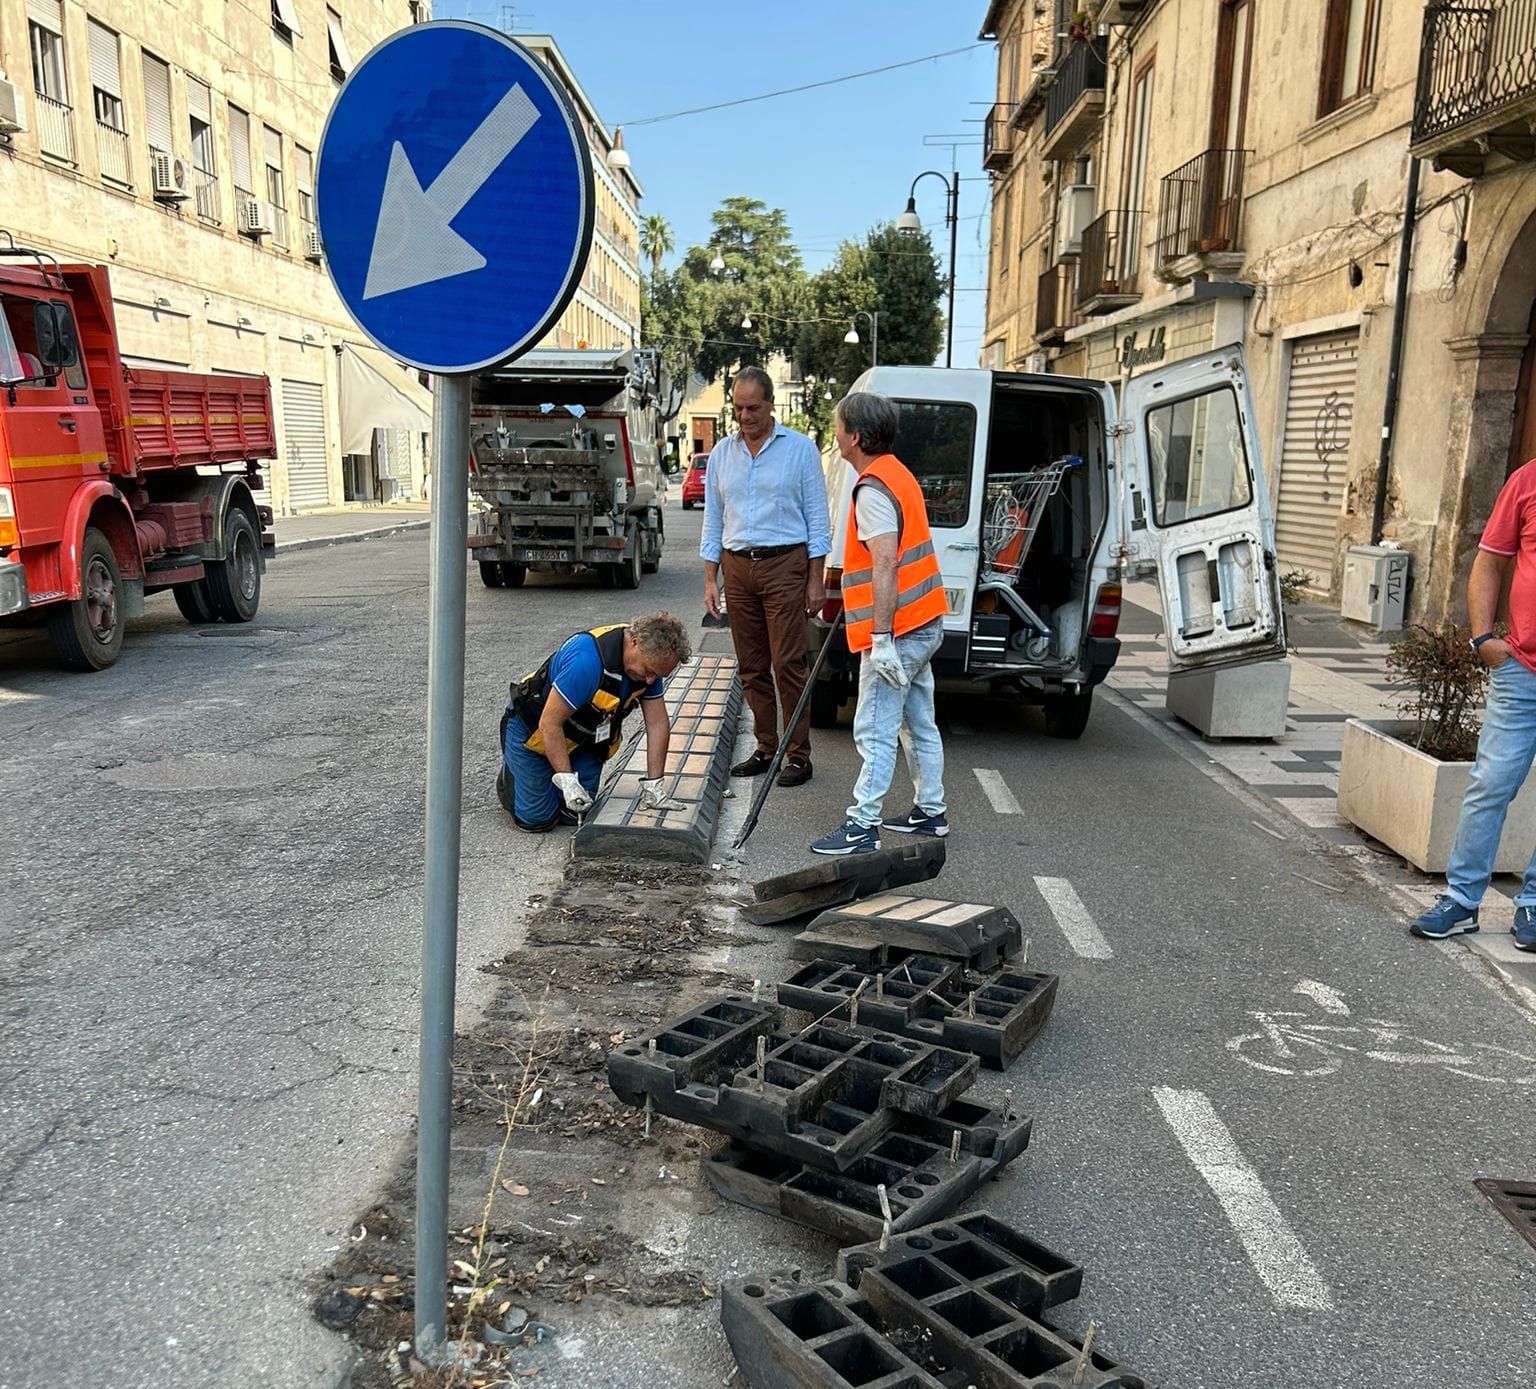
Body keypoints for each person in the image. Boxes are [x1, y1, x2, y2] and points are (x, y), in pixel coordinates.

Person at [810, 391, 949, 856]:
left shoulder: (872, 488)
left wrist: (882, 638)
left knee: (874, 727)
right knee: (917, 723)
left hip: (900, 631)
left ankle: (861, 825)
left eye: (838, 427)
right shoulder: (898, 474)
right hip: (924, 621)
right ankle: (931, 812)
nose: (835, 434)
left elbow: (885, 563)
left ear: (855, 436)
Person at [1411, 461, 1536, 951]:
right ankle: (1462, 901)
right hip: (1521, 668)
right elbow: (1490, 558)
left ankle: (1533, 905)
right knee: (1490, 784)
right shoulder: (1527, 480)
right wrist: (1483, 638)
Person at [701, 365, 832, 787]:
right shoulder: (722, 453)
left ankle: (799, 755)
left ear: (771, 404)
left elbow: (817, 519)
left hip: (785, 565)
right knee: (751, 665)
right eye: (738, 408)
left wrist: (816, 579)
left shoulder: (800, 449)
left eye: (752, 407)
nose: (744, 416)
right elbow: (713, 520)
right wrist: (710, 579)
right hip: (738, 568)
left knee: (787, 662)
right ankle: (765, 747)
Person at [496, 613, 692, 833]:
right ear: (635, 643)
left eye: (657, 676)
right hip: (533, 732)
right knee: (538, 820)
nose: (650, 681)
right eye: (648, 672)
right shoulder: (587, 661)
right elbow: (550, 723)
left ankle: (555, 773)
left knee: (575, 813)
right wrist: (568, 781)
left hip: (584, 739)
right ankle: (511, 778)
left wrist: (655, 784)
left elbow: (657, 724)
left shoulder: (650, 668)